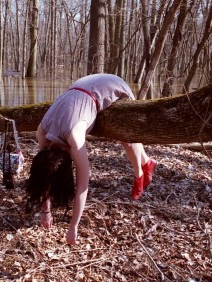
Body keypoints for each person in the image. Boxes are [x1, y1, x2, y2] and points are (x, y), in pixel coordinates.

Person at [26, 73, 157, 245]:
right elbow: (45, 176)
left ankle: (140, 172)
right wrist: (45, 211)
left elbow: (82, 188)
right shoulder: (42, 132)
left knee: (126, 139)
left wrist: (74, 226)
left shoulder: (75, 138)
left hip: (111, 85)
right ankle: (147, 163)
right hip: (84, 84)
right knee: (125, 139)